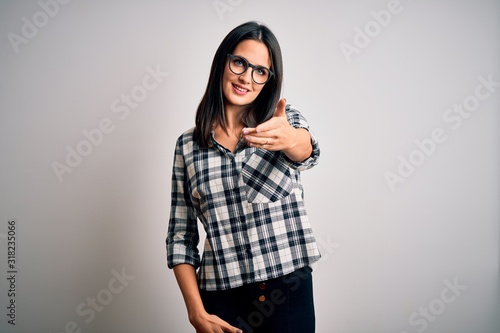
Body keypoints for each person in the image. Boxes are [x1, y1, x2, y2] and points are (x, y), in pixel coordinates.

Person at [166, 21, 321, 333]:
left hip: (287, 292)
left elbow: (307, 151)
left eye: (260, 71)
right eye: (239, 62)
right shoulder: (187, 146)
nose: (246, 78)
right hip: (222, 300)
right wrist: (196, 313)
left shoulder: (283, 122)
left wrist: (291, 139)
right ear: (223, 61)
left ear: (268, 79)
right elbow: (181, 237)